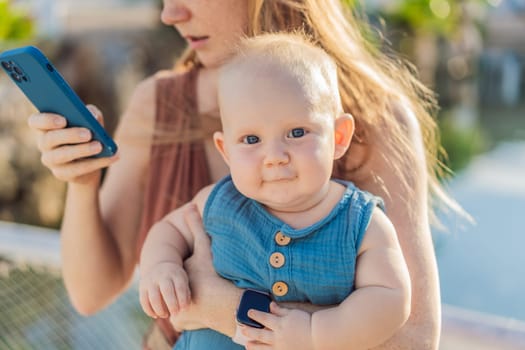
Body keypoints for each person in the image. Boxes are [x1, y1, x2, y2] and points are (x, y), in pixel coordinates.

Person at [26, 0, 461, 348]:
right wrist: (82, 184)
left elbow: (413, 339)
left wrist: (221, 306)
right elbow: (90, 294)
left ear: (340, 135)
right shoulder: (155, 104)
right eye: (249, 140)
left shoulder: (378, 118)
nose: (169, 13)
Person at [139, 33, 411, 350]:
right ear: (226, 151)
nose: (274, 156)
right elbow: (168, 229)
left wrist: (314, 333)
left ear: (338, 137)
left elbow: (390, 298)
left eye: (296, 133)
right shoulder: (221, 202)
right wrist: (161, 267)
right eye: (251, 140)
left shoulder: (361, 223)